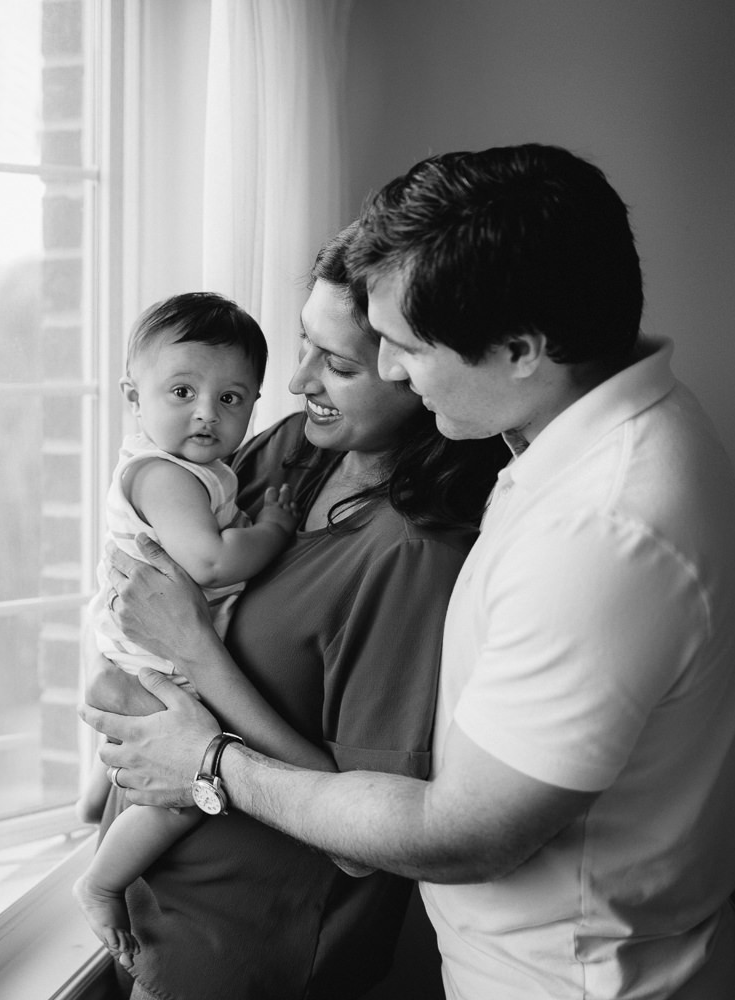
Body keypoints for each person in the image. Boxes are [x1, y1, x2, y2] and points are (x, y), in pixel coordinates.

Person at [84, 144, 735, 1000]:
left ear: (520, 349)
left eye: (401, 348)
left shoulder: (603, 531)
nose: (392, 367)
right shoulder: (547, 450)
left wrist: (208, 761)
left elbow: (463, 832)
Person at [82, 226, 507, 999]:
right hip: (152, 907)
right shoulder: (296, 451)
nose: (298, 381)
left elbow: (368, 843)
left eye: (337, 365)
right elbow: (165, 559)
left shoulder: (411, 555)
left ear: (418, 372)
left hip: (246, 945)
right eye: (303, 345)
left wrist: (200, 662)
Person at [72, 291, 308, 961]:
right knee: (180, 795)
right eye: (182, 390)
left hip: (136, 650)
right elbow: (206, 562)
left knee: (135, 739)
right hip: (153, 660)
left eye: (232, 398)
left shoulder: (201, 471)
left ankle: (97, 796)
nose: (207, 411)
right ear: (134, 396)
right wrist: (274, 530)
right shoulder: (164, 476)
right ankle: (101, 882)